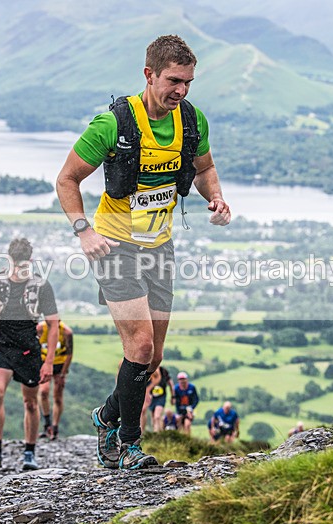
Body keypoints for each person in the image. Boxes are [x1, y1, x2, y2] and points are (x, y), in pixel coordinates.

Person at [55, 34, 231, 470]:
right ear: (149, 74)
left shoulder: (192, 121)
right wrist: (83, 231)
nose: (182, 90)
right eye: (174, 80)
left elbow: (204, 167)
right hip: (114, 246)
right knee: (140, 343)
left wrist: (217, 197)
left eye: (188, 82)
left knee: (153, 359)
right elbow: (66, 180)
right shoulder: (113, 123)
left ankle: (105, 416)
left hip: (159, 247)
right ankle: (129, 445)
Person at [0, 238, 60, 470]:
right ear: (9, 260)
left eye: (24, 264)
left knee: (30, 403)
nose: (20, 268)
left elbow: (54, 325)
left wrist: (49, 362)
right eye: (16, 263)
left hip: (28, 348)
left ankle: (29, 452)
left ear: (30, 261)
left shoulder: (41, 286)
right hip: (2, 344)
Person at [36, 320, 74, 440]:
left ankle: (55, 427)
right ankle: (47, 423)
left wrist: (63, 374)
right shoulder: (40, 329)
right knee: (43, 392)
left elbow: (69, 353)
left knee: (57, 396)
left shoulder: (66, 332)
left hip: (59, 366)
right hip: (44, 364)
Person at [146, 366, 173, 432]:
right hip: (152, 398)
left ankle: (156, 434)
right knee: (153, 418)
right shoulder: (148, 372)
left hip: (161, 398)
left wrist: (173, 396)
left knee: (157, 416)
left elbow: (170, 384)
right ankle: (159, 433)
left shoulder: (163, 371)